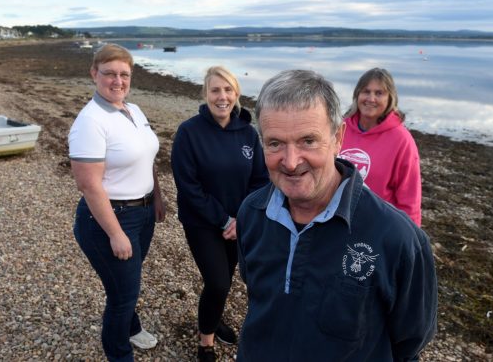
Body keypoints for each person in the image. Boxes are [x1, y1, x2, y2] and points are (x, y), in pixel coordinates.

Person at [236, 69, 437, 361]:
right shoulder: (252, 213)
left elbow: (410, 340)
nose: (291, 163)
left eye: (308, 141)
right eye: (275, 143)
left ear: (338, 137)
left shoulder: (398, 239)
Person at [68, 43, 166, 362]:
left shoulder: (133, 110)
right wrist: (115, 233)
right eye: (109, 73)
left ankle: (131, 328)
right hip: (109, 219)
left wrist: (157, 197)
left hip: (144, 211)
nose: (117, 80)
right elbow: (88, 184)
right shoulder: (90, 121)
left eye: (124, 74)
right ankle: (119, 354)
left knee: (128, 283)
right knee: (123, 296)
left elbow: (146, 155)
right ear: (94, 73)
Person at [171, 66, 269, 362]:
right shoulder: (189, 132)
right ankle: (205, 343)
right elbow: (188, 186)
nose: (222, 96)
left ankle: (214, 317)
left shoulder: (248, 133)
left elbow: (260, 180)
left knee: (224, 277)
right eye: (215, 90)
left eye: (228, 90)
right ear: (205, 94)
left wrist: (242, 219)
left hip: (239, 224)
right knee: (218, 282)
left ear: (236, 94)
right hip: (202, 222)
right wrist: (224, 219)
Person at [339, 67, 422, 226]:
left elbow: (410, 199)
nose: (371, 98)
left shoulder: (402, 140)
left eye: (379, 93)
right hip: (335, 220)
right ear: (357, 95)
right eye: (366, 91)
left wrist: (411, 236)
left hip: (375, 226)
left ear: (390, 99)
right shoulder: (340, 128)